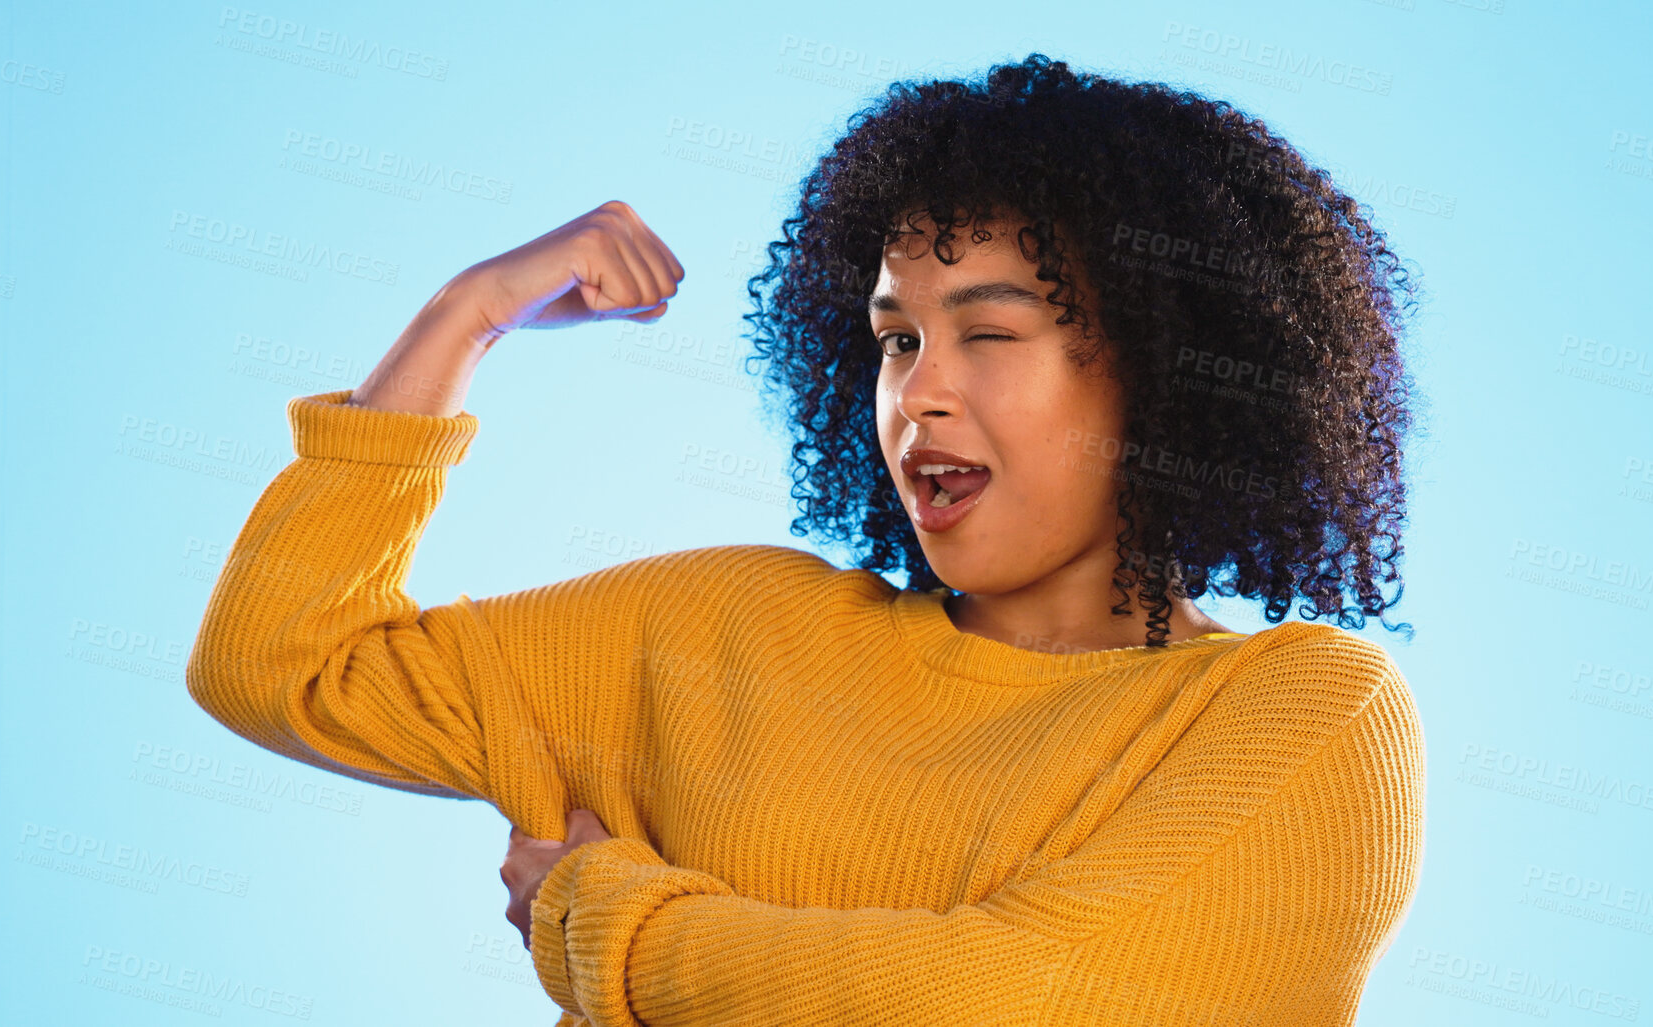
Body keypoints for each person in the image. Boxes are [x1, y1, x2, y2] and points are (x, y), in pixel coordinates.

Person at [187, 53, 1424, 1026]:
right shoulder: (729, 627)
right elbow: (279, 661)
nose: (918, 394)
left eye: (988, 333)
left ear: (1166, 374)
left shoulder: (1301, 714)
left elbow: (1010, 1001)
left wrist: (601, 918)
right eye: (896, 340)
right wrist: (468, 320)